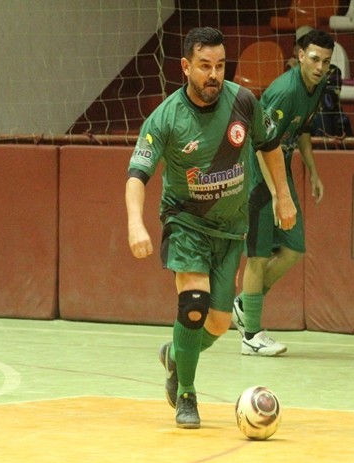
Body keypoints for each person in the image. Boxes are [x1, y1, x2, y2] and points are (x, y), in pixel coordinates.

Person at [125, 27, 295, 429]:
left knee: (218, 322)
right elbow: (137, 175)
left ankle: (176, 354)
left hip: (230, 228)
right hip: (186, 223)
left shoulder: (244, 101)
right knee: (194, 304)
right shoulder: (165, 117)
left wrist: (283, 196)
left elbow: (269, 145)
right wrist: (135, 223)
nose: (214, 74)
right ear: (186, 67)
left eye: (220, 65)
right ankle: (186, 392)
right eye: (205, 66)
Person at [232, 29, 334, 357]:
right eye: (314, 59)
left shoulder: (318, 86)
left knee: (293, 249)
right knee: (258, 256)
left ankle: (244, 304)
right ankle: (251, 336)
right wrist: (277, 193)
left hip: (281, 173)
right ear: (300, 56)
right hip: (257, 178)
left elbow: (302, 130)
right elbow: (261, 145)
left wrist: (313, 171)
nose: (320, 67)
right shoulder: (284, 92)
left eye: (326, 62)